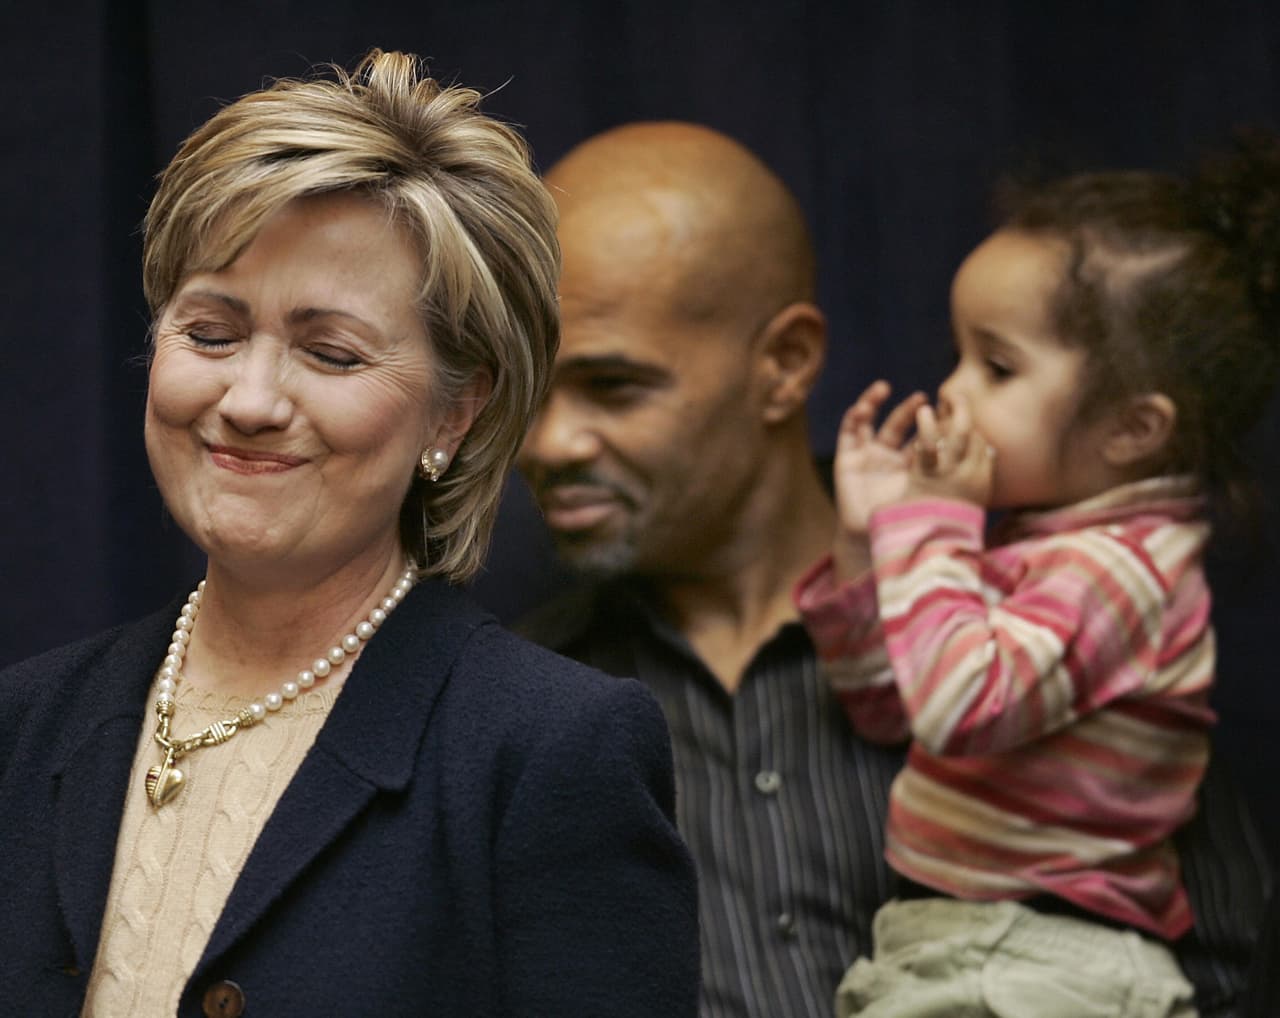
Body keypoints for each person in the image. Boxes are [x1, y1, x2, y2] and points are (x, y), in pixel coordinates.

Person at [516, 120, 1272, 1018]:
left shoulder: (1065, 605)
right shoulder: (531, 695)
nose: (546, 444)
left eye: (613, 386)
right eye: (529, 389)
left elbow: (1224, 965)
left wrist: (926, 532)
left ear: (786, 365)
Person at [0, 52, 698, 1017]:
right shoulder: (23, 724)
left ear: (454, 414)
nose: (249, 400)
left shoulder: (549, 752)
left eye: (330, 353)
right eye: (210, 334)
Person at [795, 139, 1280, 1017]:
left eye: (997, 368)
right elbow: (891, 708)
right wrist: (867, 545)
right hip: (961, 946)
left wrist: (931, 524)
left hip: (1042, 963)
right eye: (957, 355)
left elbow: (958, 707)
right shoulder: (1042, 547)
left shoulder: (1123, 573)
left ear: (1132, 429)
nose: (951, 392)